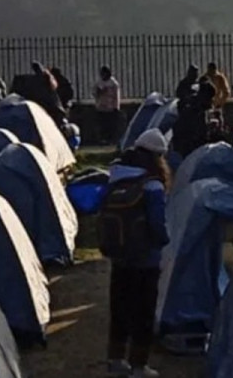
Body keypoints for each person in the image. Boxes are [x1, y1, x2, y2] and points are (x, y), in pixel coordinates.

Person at [100, 129, 170, 378]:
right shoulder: (152, 183)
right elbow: (157, 222)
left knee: (120, 307)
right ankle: (139, 365)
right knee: (143, 311)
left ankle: (115, 359)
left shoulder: (116, 176)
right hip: (146, 258)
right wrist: (163, 242)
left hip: (120, 253)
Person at [172, 81, 215, 158]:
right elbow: (198, 132)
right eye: (210, 98)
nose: (212, 101)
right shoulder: (193, 109)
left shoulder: (197, 107)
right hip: (188, 147)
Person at [94, 66, 122, 145]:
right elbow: (94, 93)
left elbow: (117, 96)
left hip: (111, 108)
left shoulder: (113, 83)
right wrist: (99, 92)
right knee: (102, 125)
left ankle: (111, 140)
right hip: (101, 107)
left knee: (111, 125)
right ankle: (103, 139)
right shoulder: (98, 83)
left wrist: (116, 107)